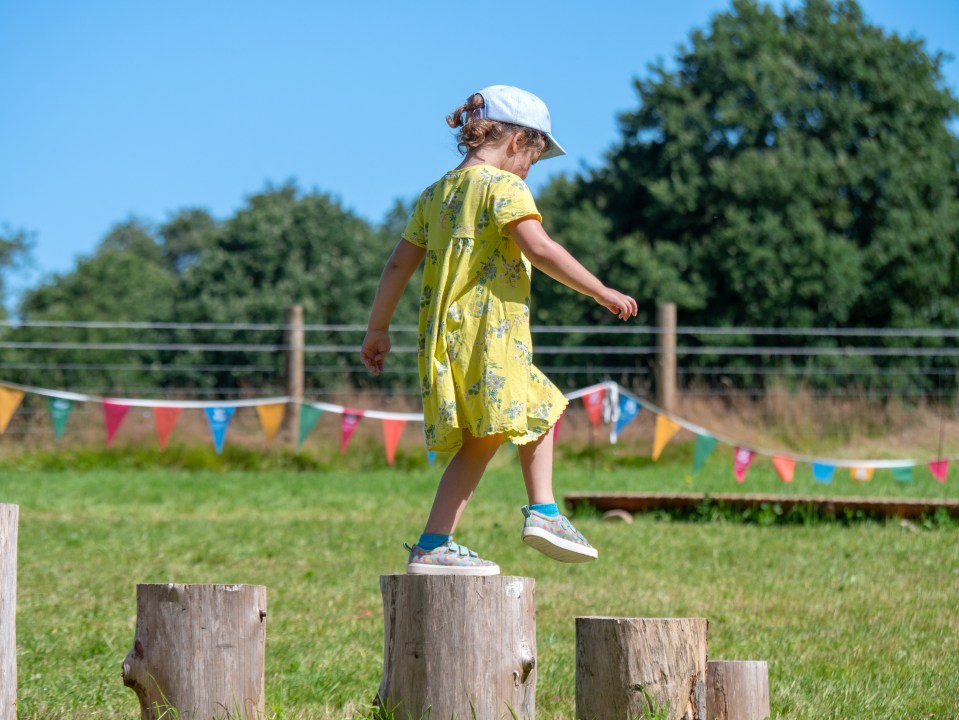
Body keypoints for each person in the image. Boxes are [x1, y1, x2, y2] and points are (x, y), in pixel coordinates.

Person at [360, 85, 637, 575]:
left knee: (514, 422)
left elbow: (398, 265)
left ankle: (479, 530)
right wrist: (600, 290)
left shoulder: (436, 194)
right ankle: (513, 521)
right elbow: (542, 249)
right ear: (516, 142)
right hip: (492, 334)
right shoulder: (504, 187)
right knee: (521, 420)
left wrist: (377, 329)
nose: (532, 168)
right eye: (535, 155)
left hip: (445, 339)